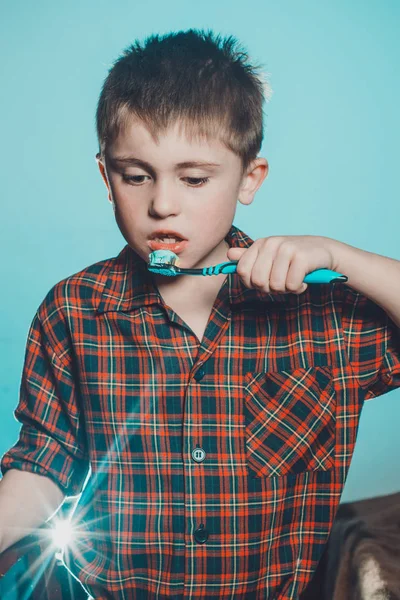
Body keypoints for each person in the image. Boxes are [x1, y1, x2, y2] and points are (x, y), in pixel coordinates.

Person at [0, 28, 399, 600]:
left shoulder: (324, 313)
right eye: (136, 176)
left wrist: (340, 256)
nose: (162, 204)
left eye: (193, 179)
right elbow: (43, 463)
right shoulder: (72, 310)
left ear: (250, 178)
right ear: (105, 178)